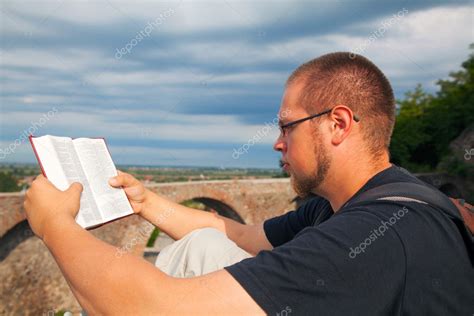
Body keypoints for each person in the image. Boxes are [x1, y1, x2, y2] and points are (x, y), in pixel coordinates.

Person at [24, 52, 473, 315]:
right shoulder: (344, 204)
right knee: (201, 247)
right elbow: (238, 235)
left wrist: (55, 225)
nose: (278, 143)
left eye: (287, 127)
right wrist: (145, 203)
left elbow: (157, 308)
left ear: (337, 124)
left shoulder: (368, 237)